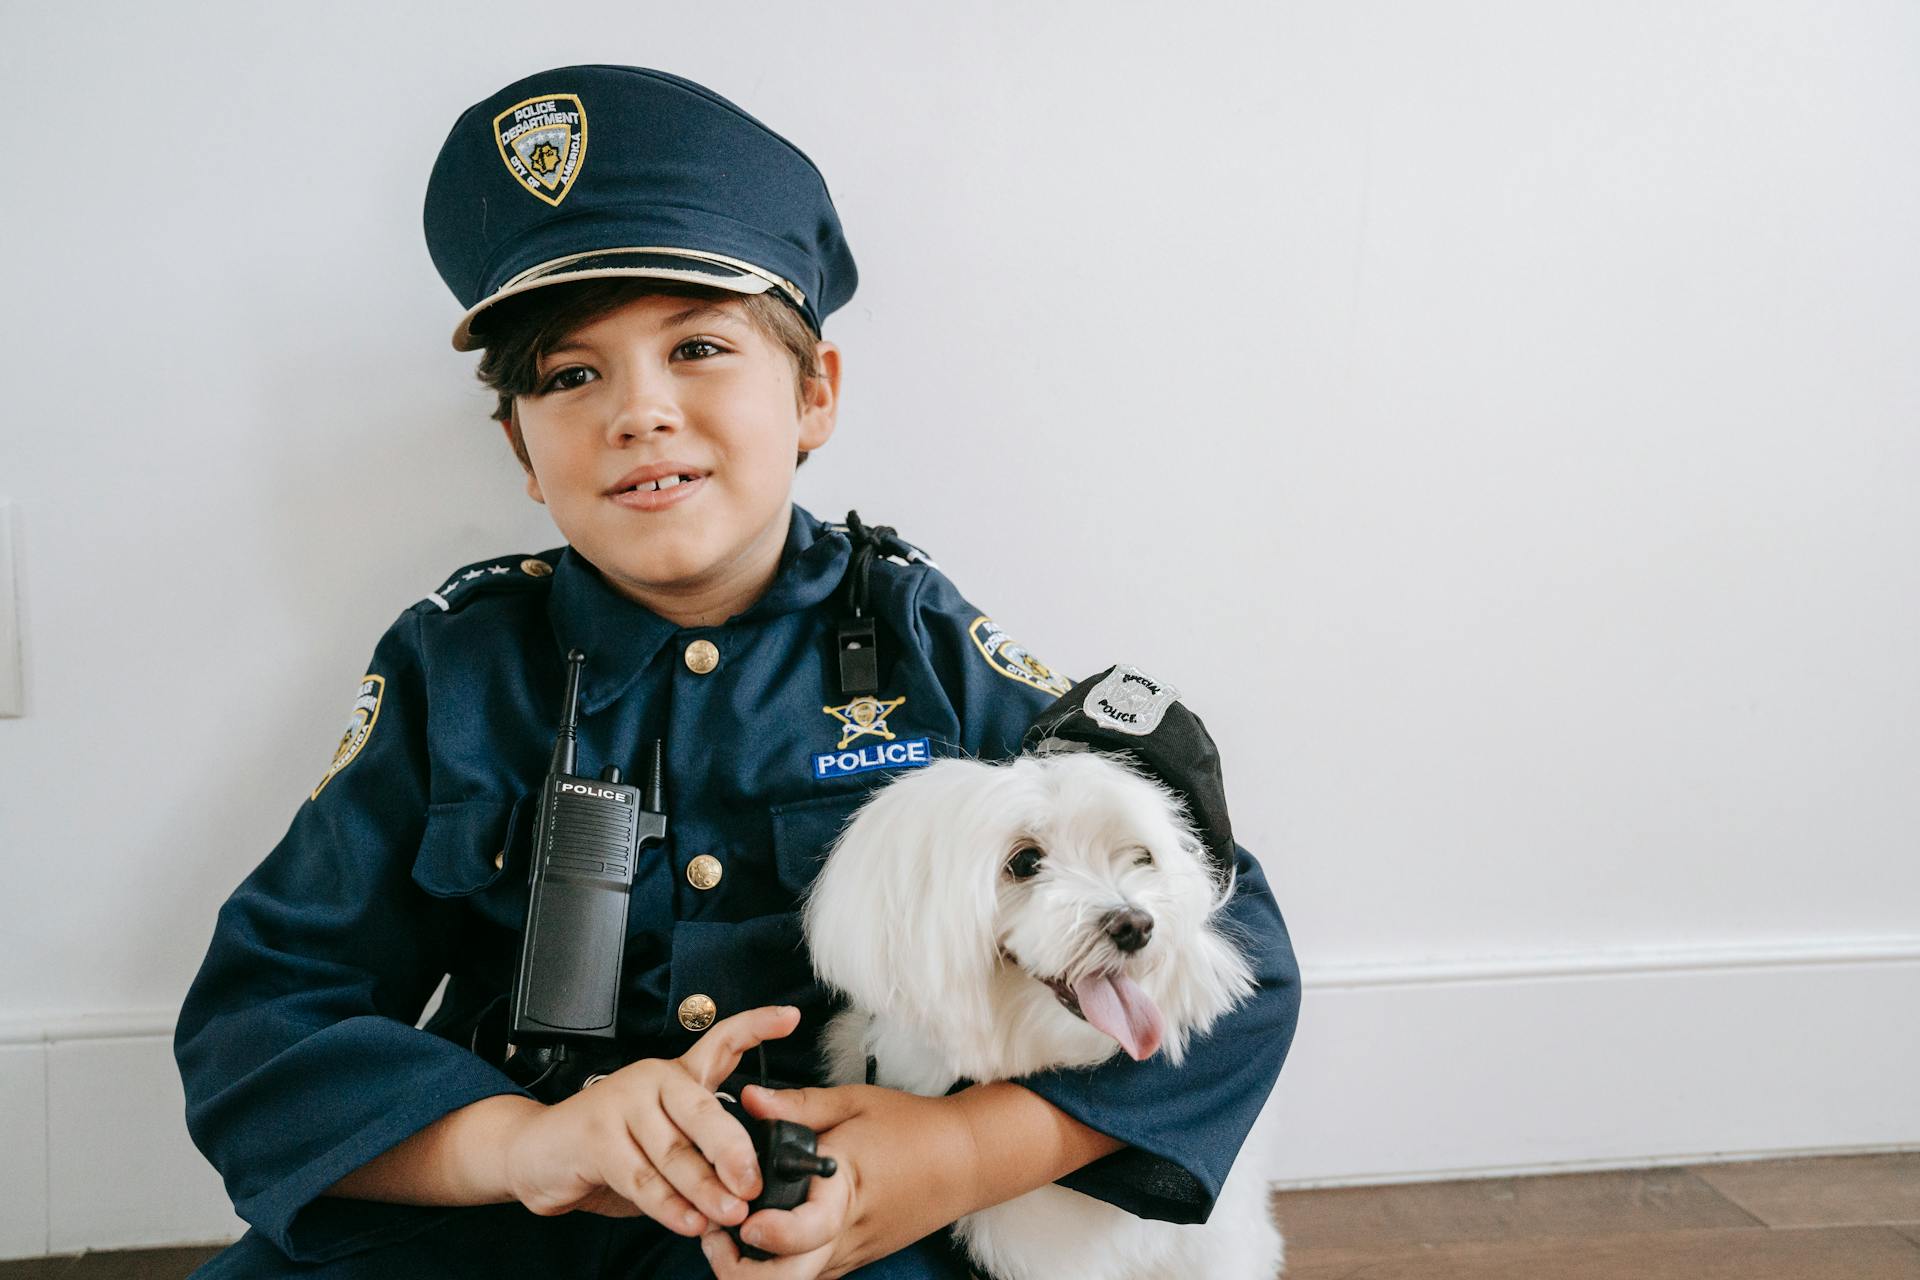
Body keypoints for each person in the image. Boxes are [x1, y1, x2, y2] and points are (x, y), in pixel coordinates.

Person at [173, 64, 1302, 1279]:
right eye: (570, 374)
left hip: (831, 1217)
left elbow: (1239, 961)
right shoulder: (459, 663)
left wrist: (959, 1154)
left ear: (814, 393)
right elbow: (263, 1015)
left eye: (699, 346)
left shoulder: (918, 640)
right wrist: (522, 1143)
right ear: (519, 446)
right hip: (524, 1205)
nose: (639, 412)